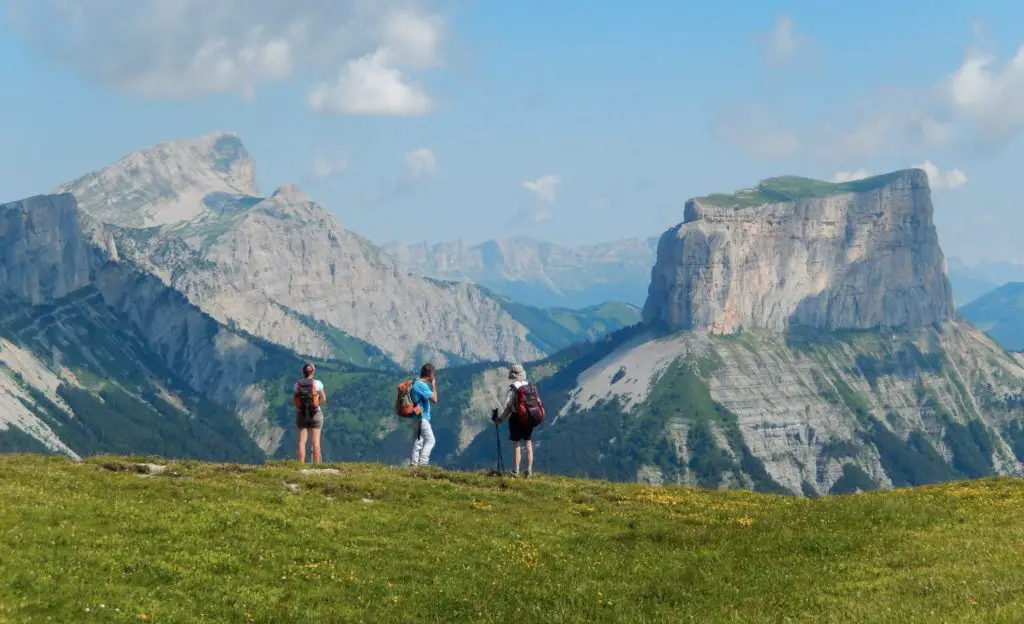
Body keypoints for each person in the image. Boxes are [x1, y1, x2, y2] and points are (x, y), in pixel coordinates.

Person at [492, 363, 536, 477]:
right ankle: (529, 470)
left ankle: (516, 470)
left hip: (516, 418)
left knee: (517, 444)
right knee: (528, 443)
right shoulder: (530, 386)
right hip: (528, 418)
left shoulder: (513, 388)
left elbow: (509, 407)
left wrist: (500, 419)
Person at [293, 362, 327, 464]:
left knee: (301, 441)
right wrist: (316, 406)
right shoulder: (318, 383)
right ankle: (316, 465)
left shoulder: (297, 385)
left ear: (303, 372)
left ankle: (301, 464)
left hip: (302, 413)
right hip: (315, 414)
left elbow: (294, 400)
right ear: (313, 372)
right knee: (315, 442)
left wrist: (300, 408)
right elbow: (324, 398)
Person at [410, 363, 438, 467]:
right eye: (433, 374)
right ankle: (422, 463)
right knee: (430, 440)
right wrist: (434, 385)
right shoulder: (421, 385)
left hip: (415, 416)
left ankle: (414, 464)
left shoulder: (415, 382)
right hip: (422, 417)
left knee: (418, 442)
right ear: (430, 374)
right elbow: (434, 399)